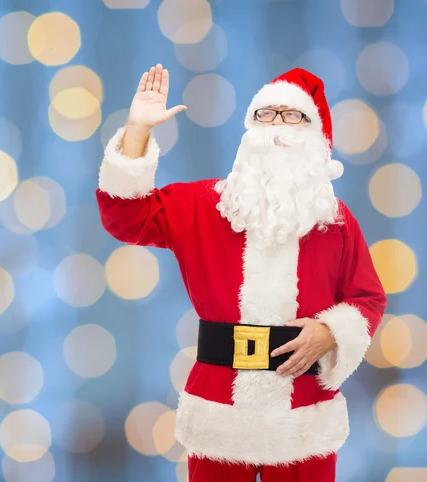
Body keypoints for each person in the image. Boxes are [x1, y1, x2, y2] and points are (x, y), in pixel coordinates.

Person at [95, 64, 387, 482]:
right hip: (220, 413)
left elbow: (368, 298)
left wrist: (331, 333)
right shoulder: (203, 205)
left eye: (292, 115)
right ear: (250, 128)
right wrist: (137, 130)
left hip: (303, 416)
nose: (277, 127)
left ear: (316, 135)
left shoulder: (336, 222)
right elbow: (126, 216)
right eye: (267, 114)